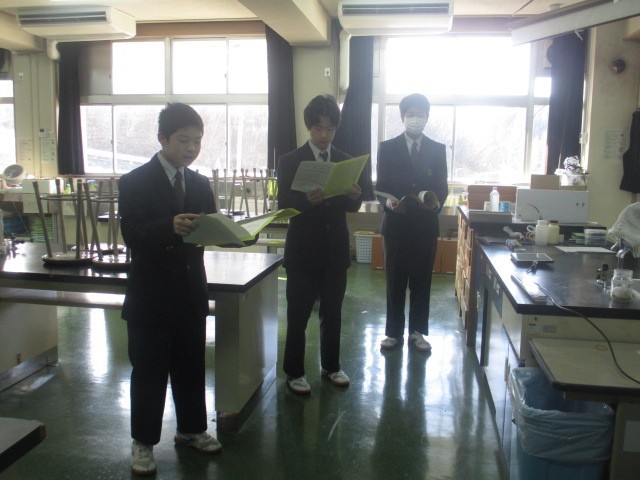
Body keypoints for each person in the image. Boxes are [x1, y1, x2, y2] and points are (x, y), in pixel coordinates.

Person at [118, 102, 221, 476]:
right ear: (162, 138)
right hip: (151, 295)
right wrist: (168, 226)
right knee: (149, 372)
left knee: (191, 367)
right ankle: (143, 443)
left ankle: (191, 430)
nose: (191, 148)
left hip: (190, 292)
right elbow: (132, 234)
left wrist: (238, 234)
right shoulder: (134, 182)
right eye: (183, 140)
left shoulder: (200, 184)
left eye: (197, 141)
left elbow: (210, 227)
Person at [277, 94, 363, 395]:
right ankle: (294, 372)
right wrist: (305, 201)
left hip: (335, 250)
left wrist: (355, 197)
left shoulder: (345, 161)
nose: (324, 135)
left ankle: (331, 366)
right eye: (318, 129)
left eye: (330, 129)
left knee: (333, 312)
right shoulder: (290, 160)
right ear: (308, 127)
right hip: (302, 251)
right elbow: (283, 204)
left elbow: (351, 207)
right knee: (298, 315)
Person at [375, 93, 448, 353]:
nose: (416, 119)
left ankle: (418, 332)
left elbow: (442, 187)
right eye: (411, 114)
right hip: (395, 225)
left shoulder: (437, 149)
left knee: (421, 281)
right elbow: (381, 186)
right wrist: (388, 202)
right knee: (394, 280)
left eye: (421, 115)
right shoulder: (387, 148)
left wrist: (435, 203)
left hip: (425, 226)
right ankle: (393, 332)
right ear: (402, 117)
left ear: (427, 118)